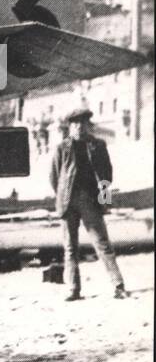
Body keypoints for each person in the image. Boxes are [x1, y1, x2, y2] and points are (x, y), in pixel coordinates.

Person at [48, 108, 126, 300]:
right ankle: (73, 289)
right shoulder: (62, 148)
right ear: (70, 127)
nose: (79, 127)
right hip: (68, 202)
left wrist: (105, 202)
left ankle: (118, 286)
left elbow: (107, 175)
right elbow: (54, 177)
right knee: (70, 247)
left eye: (82, 123)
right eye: (75, 124)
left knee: (102, 244)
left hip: (90, 201)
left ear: (88, 125)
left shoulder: (98, 145)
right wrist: (62, 198)